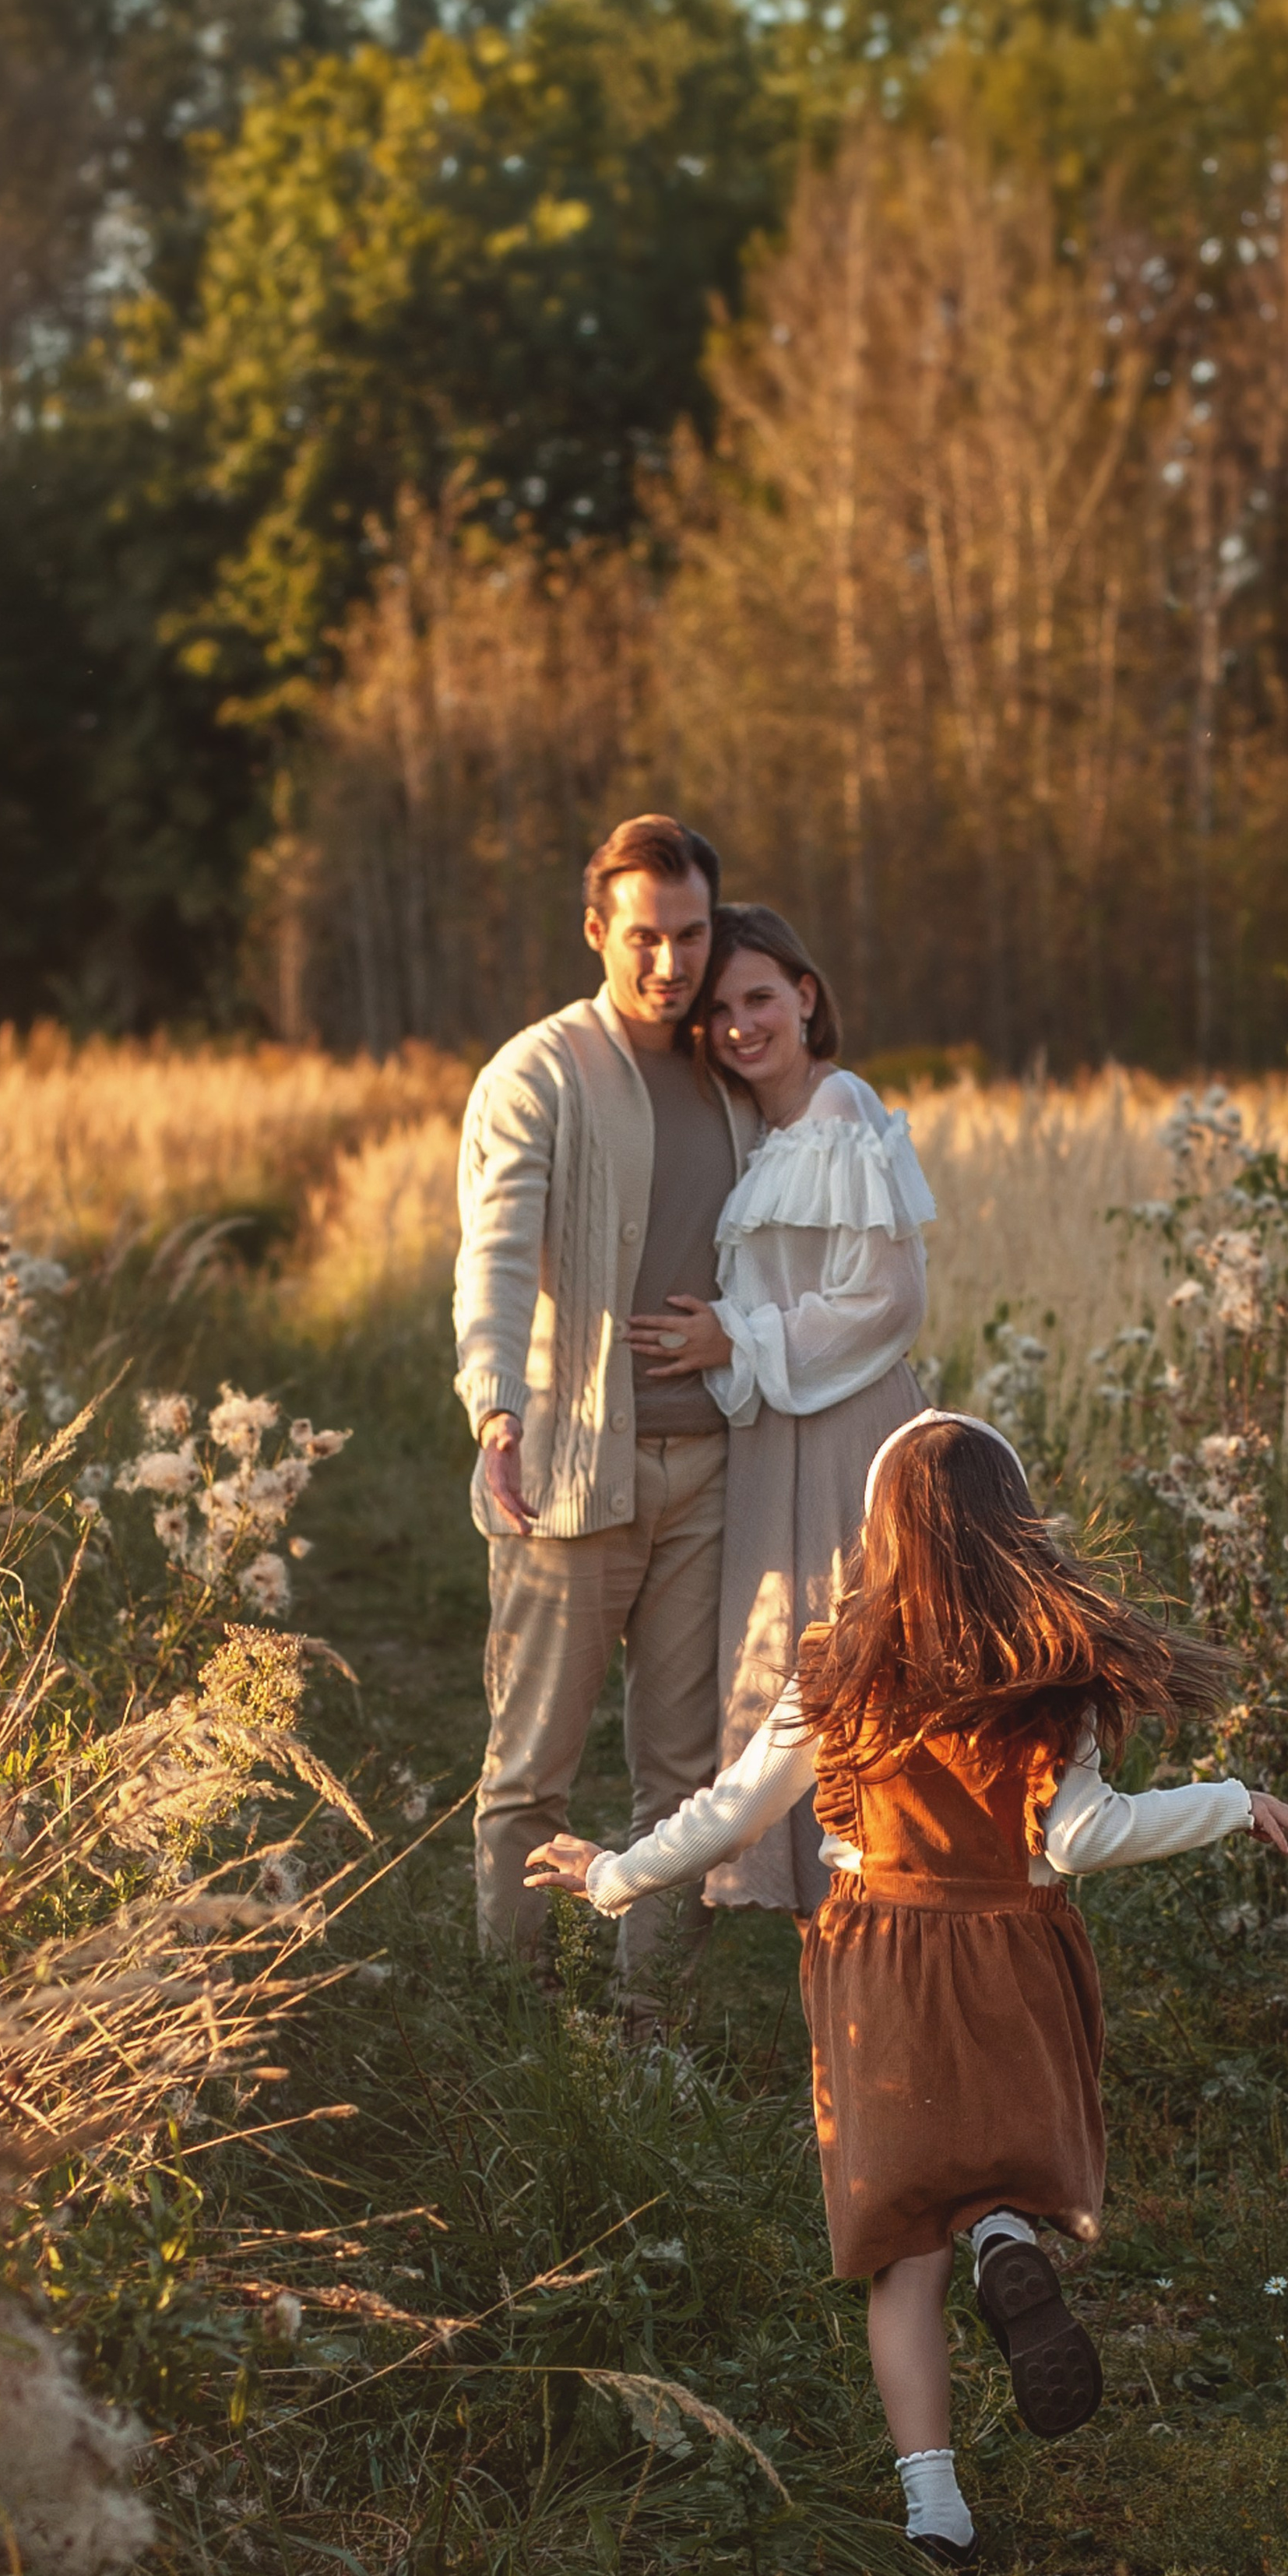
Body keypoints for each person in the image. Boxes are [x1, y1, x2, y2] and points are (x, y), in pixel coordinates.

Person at [526, 1411, 1288, 2573]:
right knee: (991, 2164)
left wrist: (610, 1876)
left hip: (876, 1964)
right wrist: (1231, 1799)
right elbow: (1085, 1837)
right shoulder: (1050, 1676)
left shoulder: (838, 1667)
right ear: (1013, 1528)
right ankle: (1002, 2231)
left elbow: (730, 1812)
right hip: (1012, 1960)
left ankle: (934, 2509)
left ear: (879, 1533)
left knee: (902, 2247)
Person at [452, 812, 759, 1978]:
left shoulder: (726, 1072)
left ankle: (651, 2034)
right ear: (596, 931)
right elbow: (491, 1252)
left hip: (710, 1472)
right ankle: (510, 2012)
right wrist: (494, 1403)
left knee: (682, 1774)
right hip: (569, 1465)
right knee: (532, 1767)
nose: (670, 963)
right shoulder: (539, 1072)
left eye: (689, 935)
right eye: (644, 936)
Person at [626, 904, 934, 1913]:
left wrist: (734, 1337)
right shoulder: (764, 1128)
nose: (738, 1023)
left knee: (851, 1659)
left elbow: (886, 1298)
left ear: (805, 996)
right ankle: (822, 1915)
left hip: (846, 1428)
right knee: (786, 1657)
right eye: (718, 1009)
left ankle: (878, 1901)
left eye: (758, 997)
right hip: (776, 1432)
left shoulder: (840, 1109)